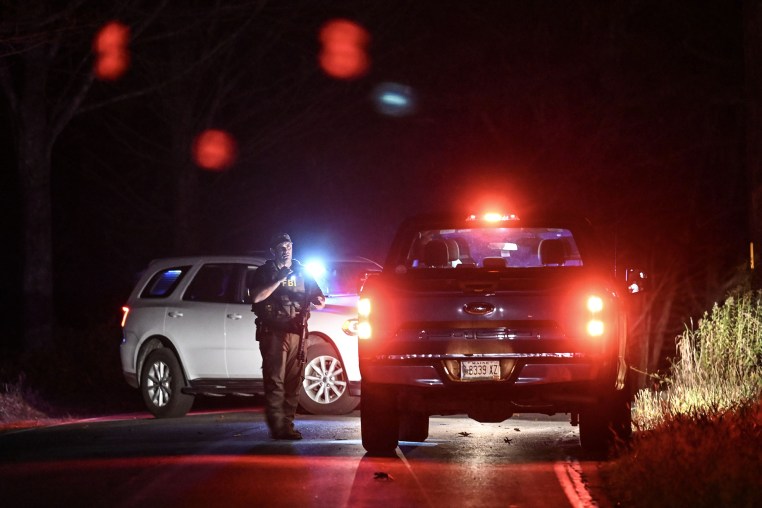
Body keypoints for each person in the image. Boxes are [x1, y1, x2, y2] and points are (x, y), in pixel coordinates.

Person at [250, 233, 325, 440]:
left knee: (294, 381)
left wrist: (318, 299)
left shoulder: (302, 272)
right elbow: (256, 296)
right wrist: (279, 279)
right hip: (273, 332)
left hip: (298, 333)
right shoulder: (265, 272)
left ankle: (288, 425)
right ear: (273, 251)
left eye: (289, 246)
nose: (286, 250)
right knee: (275, 381)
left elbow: (319, 299)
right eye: (281, 247)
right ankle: (278, 428)